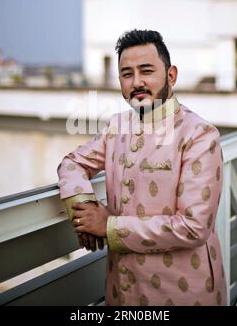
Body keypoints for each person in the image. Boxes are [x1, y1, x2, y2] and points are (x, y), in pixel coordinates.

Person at [57, 29, 227, 306]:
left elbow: (194, 227)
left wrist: (108, 226)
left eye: (146, 71)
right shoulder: (117, 126)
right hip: (122, 290)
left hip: (183, 292)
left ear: (171, 75)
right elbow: (72, 163)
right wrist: (85, 208)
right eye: (127, 74)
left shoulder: (199, 134)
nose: (137, 82)